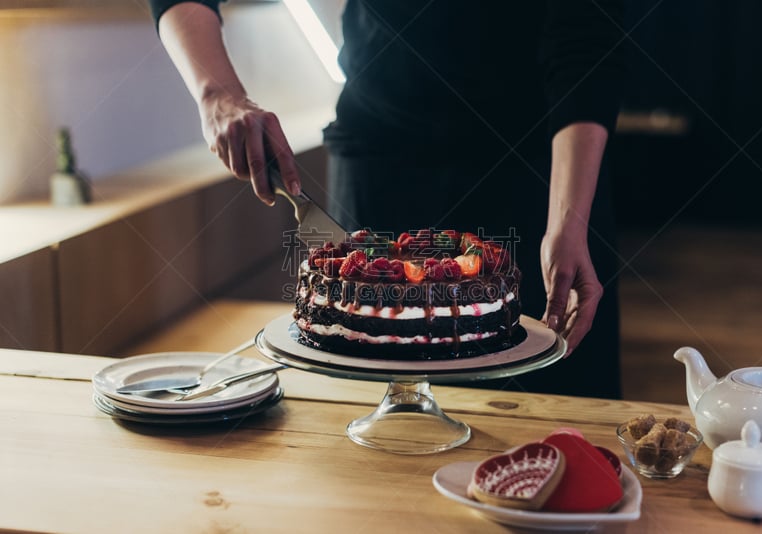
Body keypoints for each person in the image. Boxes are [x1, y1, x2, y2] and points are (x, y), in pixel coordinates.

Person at [147, 0, 626, 399]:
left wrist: (569, 216)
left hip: (546, 172)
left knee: (558, 412)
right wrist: (216, 93)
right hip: (382, 159)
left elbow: (585, 35)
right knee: (371, 415)